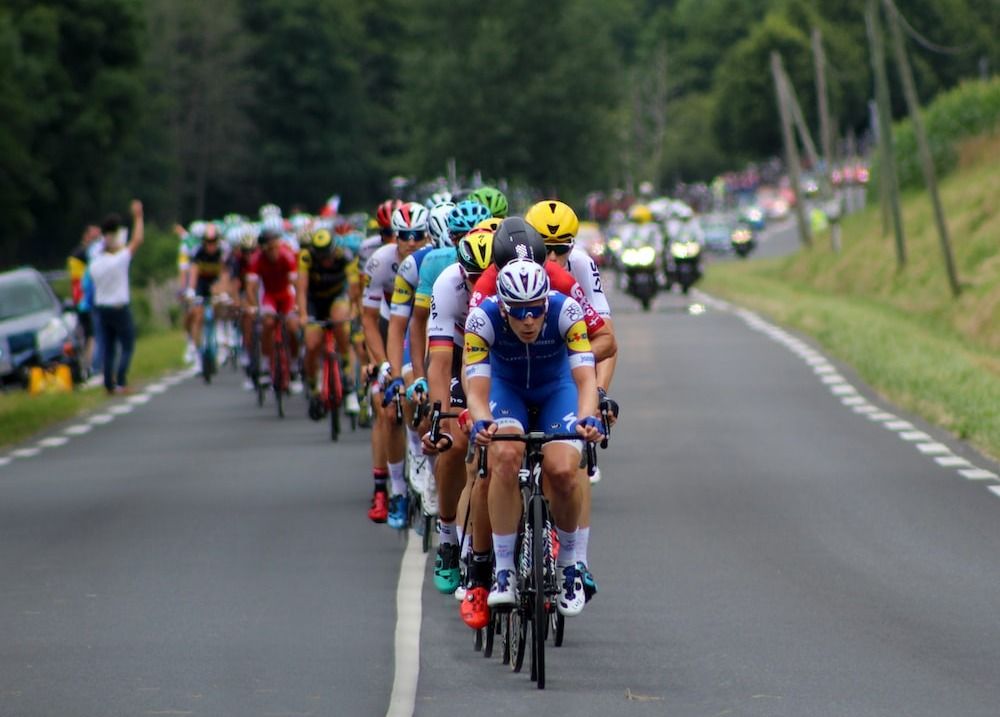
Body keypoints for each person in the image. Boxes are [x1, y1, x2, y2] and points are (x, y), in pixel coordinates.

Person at [464, 259, 604, 624]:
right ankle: (505, 569)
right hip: (505, 388)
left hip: (557, 387)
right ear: (503, 306)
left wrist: (589, 417)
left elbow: (586, 379)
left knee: (561, 470)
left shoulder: (566, 310)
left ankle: (571, 561)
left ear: (546, 301)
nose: (528, 320)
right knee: (506, 457)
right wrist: (481, 421)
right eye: (519, 312)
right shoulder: (482, 318)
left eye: (535, 310)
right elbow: (475, 390)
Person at [89, 200, 144, 395]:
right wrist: (138, 216)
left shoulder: (95, 262)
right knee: (127, 344)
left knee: (109, 347)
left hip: (102, 307)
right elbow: (137, 241)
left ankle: (108, 384)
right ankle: (121, 380)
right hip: (119, 307)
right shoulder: (118, 260)